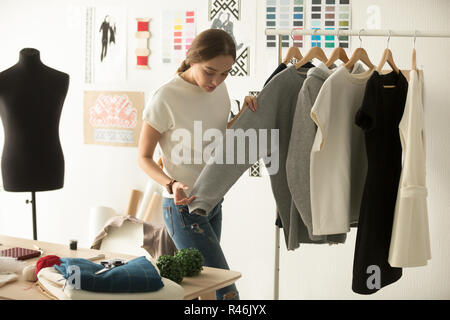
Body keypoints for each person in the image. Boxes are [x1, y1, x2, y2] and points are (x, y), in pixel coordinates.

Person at [138, 28, 257, 300]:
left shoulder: (220, 88)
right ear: (192, 59)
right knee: (225, 292)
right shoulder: (165, 97)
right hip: (183, 207)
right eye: (210, 71)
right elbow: (143, 157)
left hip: (214, 199)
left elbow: (216, 135)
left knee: (203, 289)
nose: (216, 80)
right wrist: (171, 183)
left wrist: (243, 115)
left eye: (225, 73)